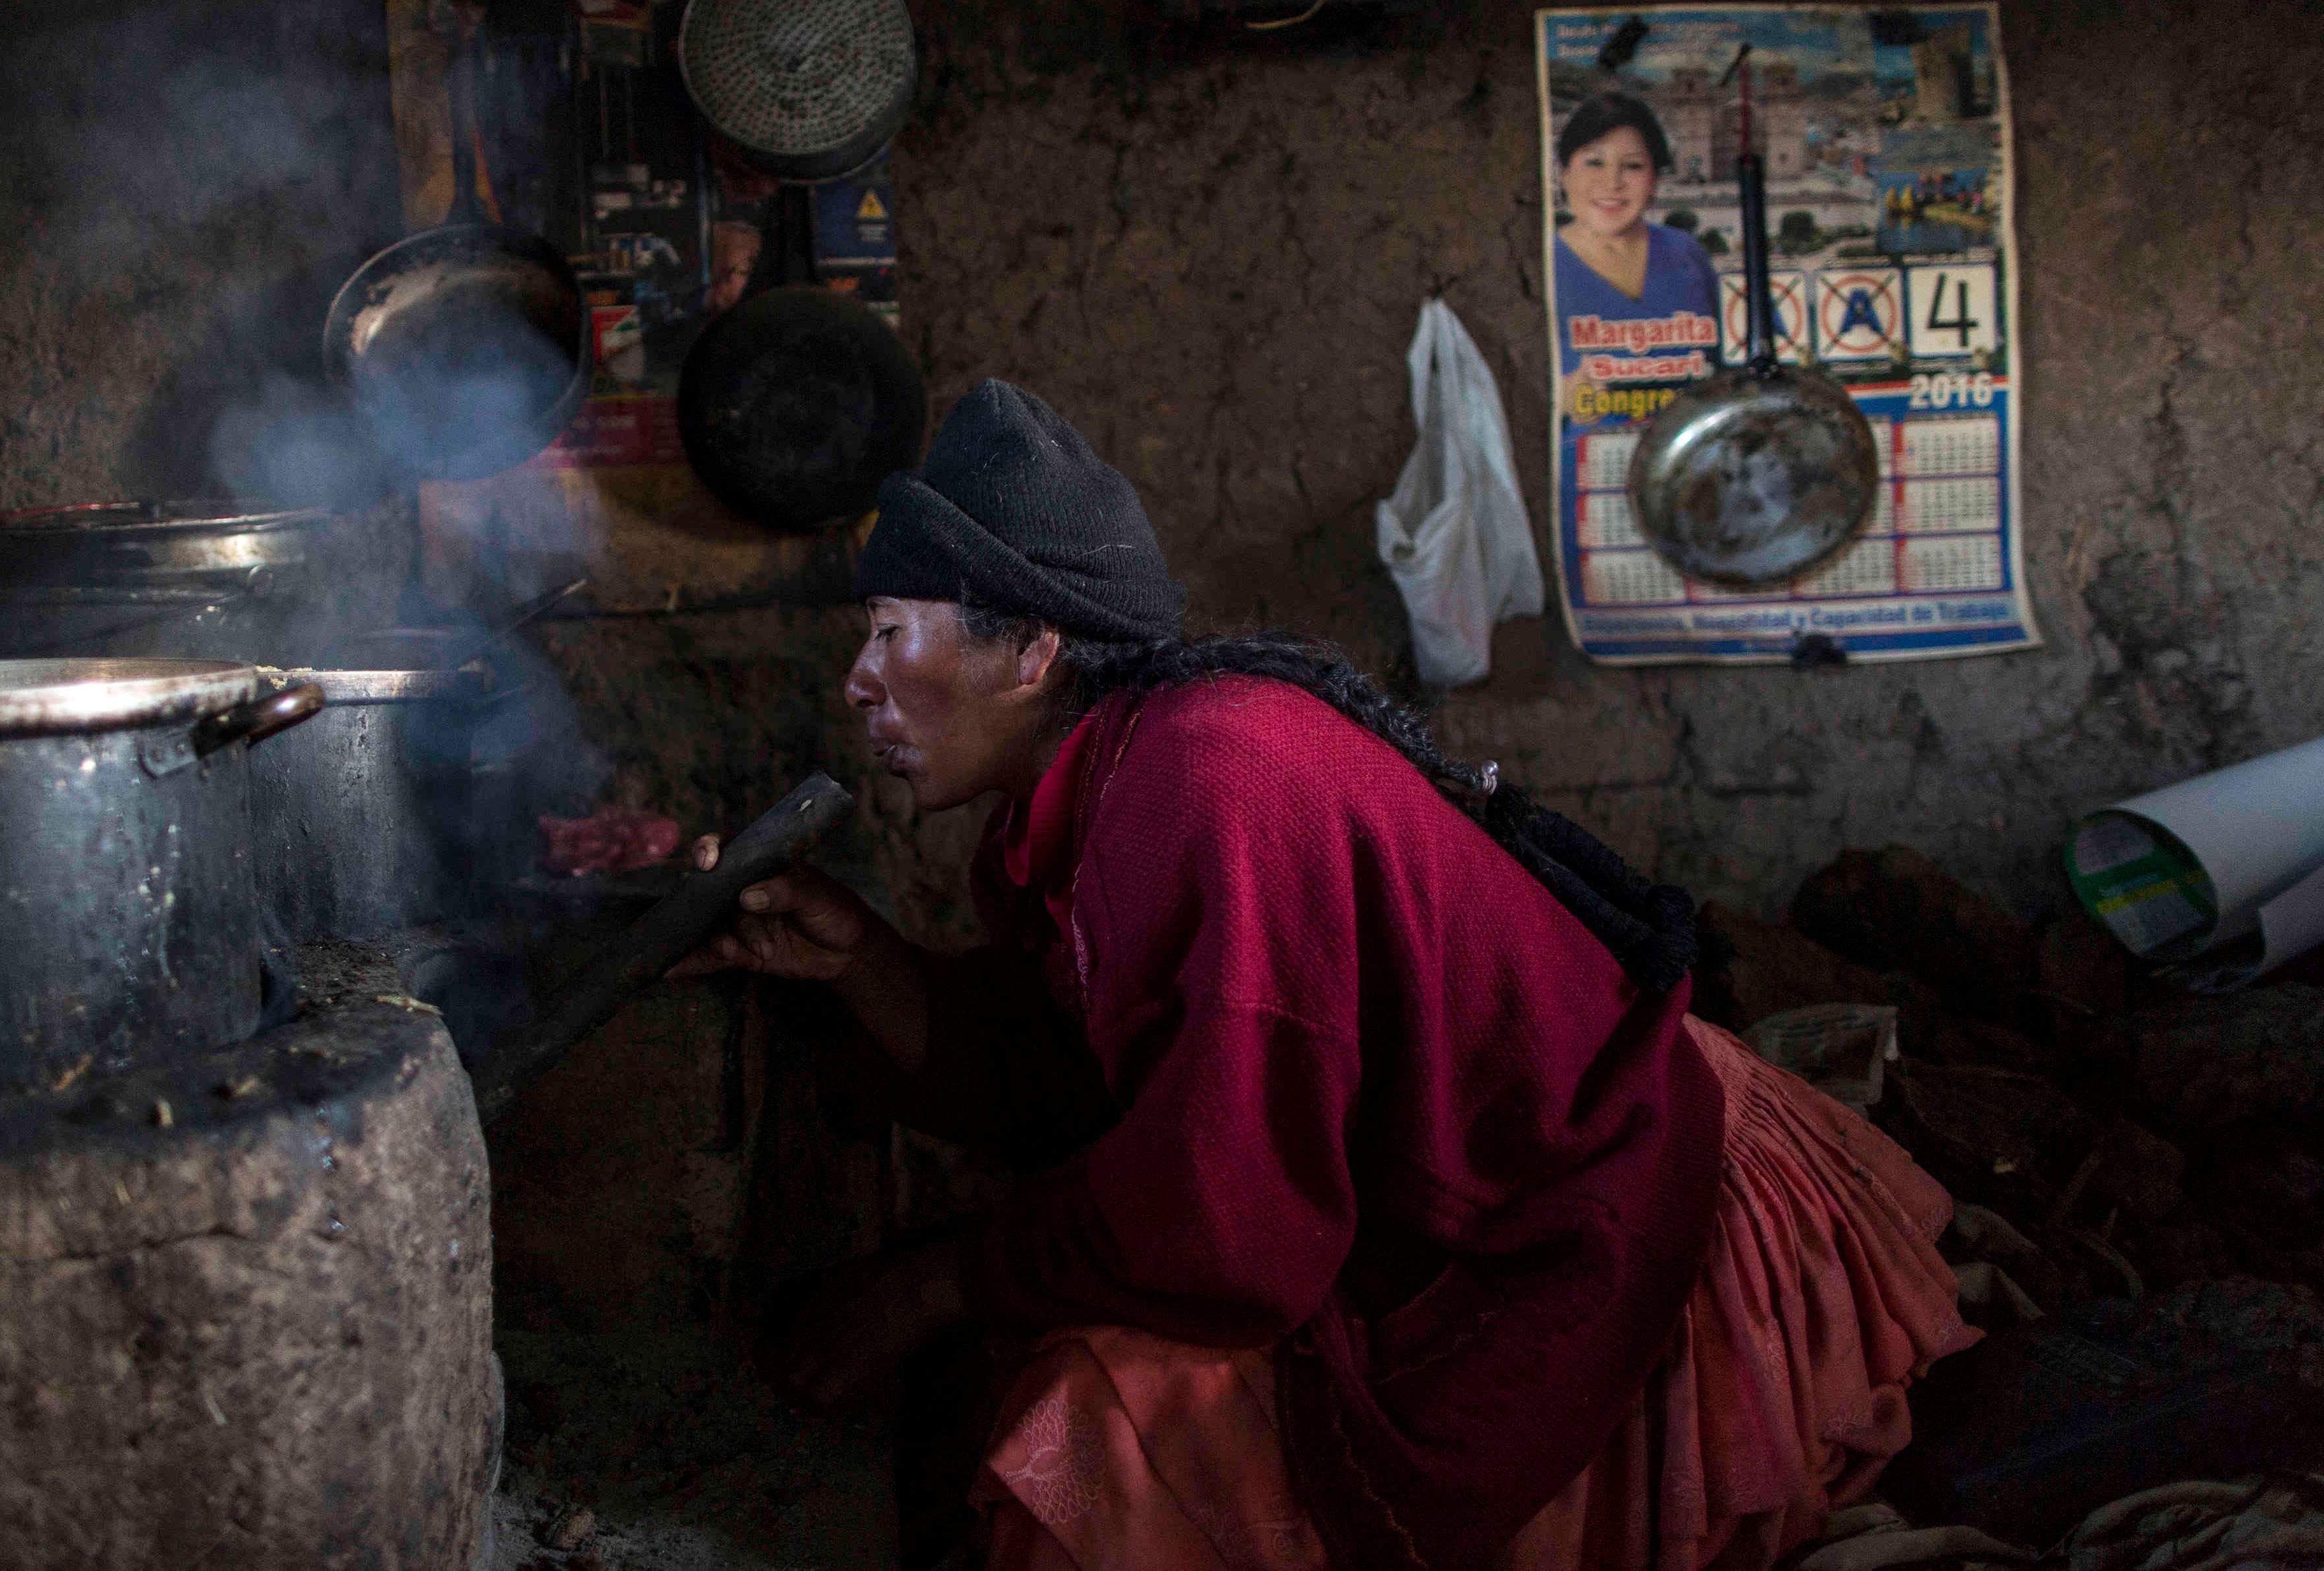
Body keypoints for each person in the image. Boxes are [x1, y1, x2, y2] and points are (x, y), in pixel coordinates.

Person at [677, 381, 1976, 1571]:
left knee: (1092, 1424)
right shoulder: (1067, 815)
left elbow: (1225, 1233)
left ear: (1032, 655)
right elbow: (1079, 1084)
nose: (858, 685)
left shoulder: (1203, 784)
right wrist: (857, 957)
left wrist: (932, 1281)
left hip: (1610, 1198)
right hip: (1463, 1195)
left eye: (890, 634)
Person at [1551, 93, 1722, 415]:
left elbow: (1721, 372)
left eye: (1633, 166)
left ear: (1654, 180)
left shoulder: (1687, 254)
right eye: (1594, 162)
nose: (1612, 182)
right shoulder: (1542, 266)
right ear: (1564, 172)